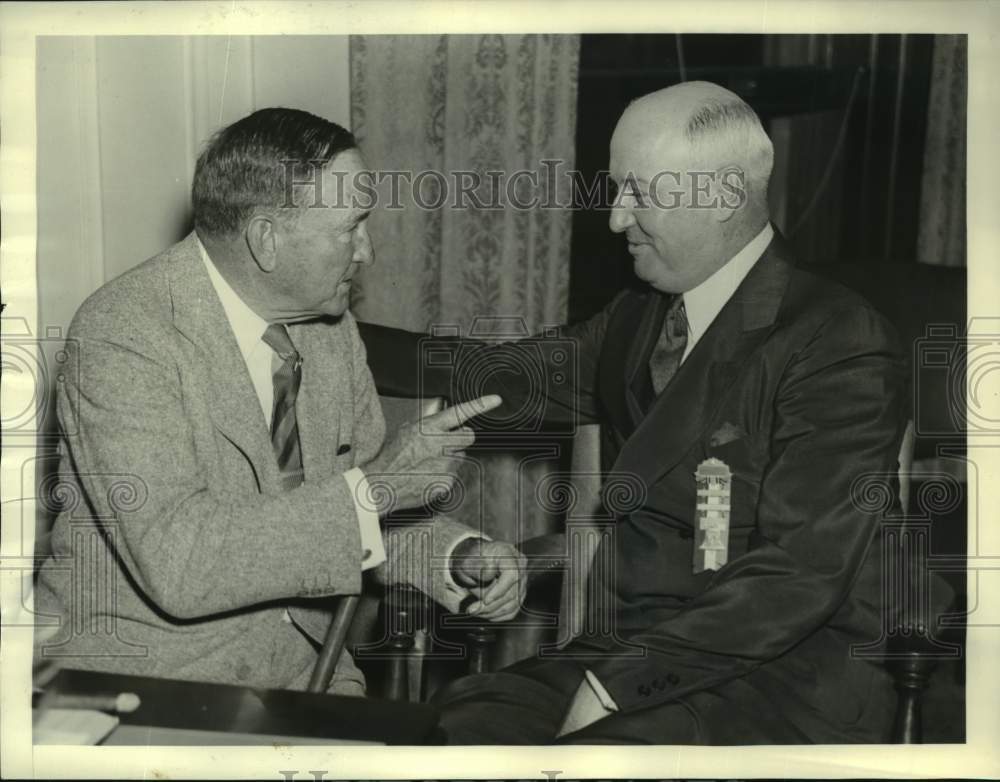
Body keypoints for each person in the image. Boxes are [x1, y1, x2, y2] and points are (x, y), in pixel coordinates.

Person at [360, 81, 911, 743]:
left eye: (640, 193)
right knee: (445, 733)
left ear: (725, 196)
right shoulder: (640, 316)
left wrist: (612, 688)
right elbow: (501, 377)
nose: (618, 218)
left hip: (784, 680)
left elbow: (795, 577)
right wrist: (325, 328)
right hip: (626, 655)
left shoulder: (838, 338)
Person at [33, 108, 525, 695]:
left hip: (308, 675)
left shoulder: (328, 329)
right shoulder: (124, 335)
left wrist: (458, 555)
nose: (366, 252)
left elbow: (358, 519)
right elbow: (182, 565)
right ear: (266, 240)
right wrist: (380, 486)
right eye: (351, 228)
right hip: (146, 680)